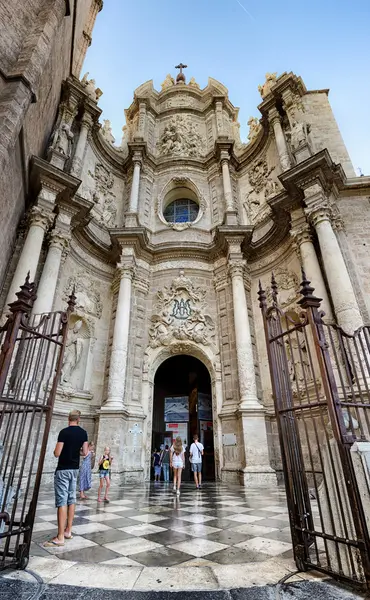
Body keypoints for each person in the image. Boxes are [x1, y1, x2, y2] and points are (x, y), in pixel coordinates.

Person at [45, 410, 88, 547]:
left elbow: (57, 453)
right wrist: (76, 451)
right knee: (71, 499)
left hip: (63, 469)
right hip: (75, 469)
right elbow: (85, 452)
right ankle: (68, 530)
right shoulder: (83, 433)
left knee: (62, 501)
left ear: (68, 418)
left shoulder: (64, 432)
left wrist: (61, 450)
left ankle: (60, 537)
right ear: (79, 419)